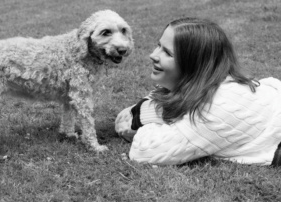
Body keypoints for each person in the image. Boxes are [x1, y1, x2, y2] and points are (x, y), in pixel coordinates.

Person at [115, 17, 281, 166]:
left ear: (193, 65)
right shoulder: (216, 82)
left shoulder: (211, 110)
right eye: (159, 46)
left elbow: (144, 152)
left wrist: (150, 118)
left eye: (167, 52)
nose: (153, 55)